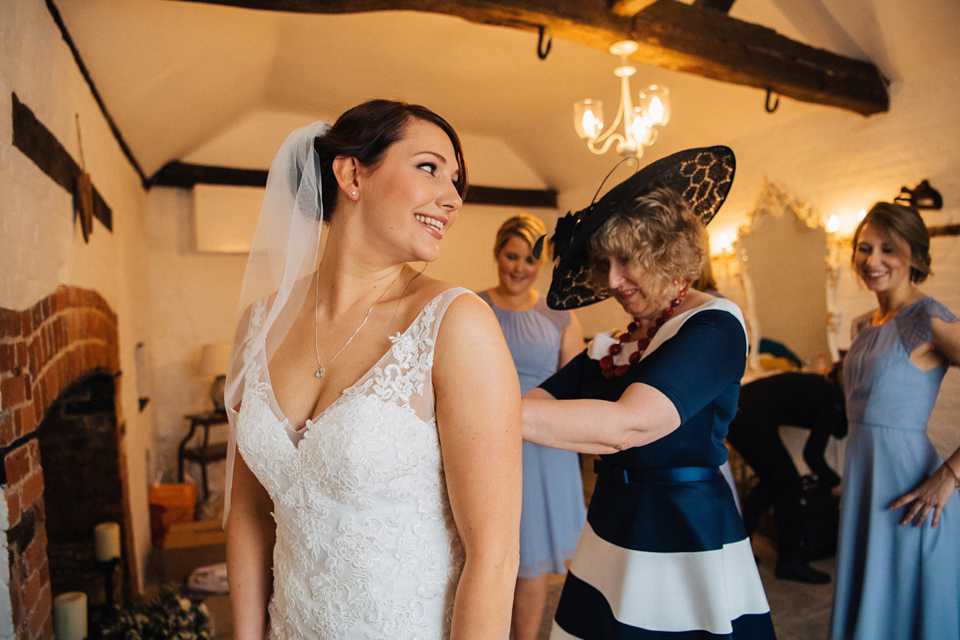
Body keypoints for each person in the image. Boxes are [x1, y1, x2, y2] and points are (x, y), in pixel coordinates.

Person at [222, 100, 523, 640]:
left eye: (457, 182)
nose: (452, 199)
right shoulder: (259, 324)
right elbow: (247, 515)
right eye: (430, 168)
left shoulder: (455, 324)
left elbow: (494, 559)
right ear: (352, 173)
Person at [522, 147, 776, 639]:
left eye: (627, 260)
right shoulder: (619, 343)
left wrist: (481, 414)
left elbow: (628, 425)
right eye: (604, 263)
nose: (612, 281)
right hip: (611, 526)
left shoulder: (716, 326)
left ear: (667, 254)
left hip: (683, 528)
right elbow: (541, 402)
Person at [829, 202, 960, 640]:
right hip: (868, 487)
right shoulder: (865, 324)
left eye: (889, 248)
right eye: (864, 248)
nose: (873, 260)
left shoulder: (930, 318)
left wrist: (951, 475)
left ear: (915, 258)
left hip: (913, 496)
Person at [477, 214, 586, 640]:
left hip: (545, 452)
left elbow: (573, 383)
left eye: (530, 260)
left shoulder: (559, 314)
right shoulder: (473, 307)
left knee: (533, 558)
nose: (520, 267)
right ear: (497, 254)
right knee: (486, 553)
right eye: (512, 255)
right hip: (487, 444)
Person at [726, 369, 847, 584]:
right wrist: (836, 483)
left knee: (773, 484)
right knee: (790, 485)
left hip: (739, 413)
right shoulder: (833, 403)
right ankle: (790, 562)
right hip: (747, 417)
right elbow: (813, 455)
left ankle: (738, 551)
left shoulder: (824, 389)